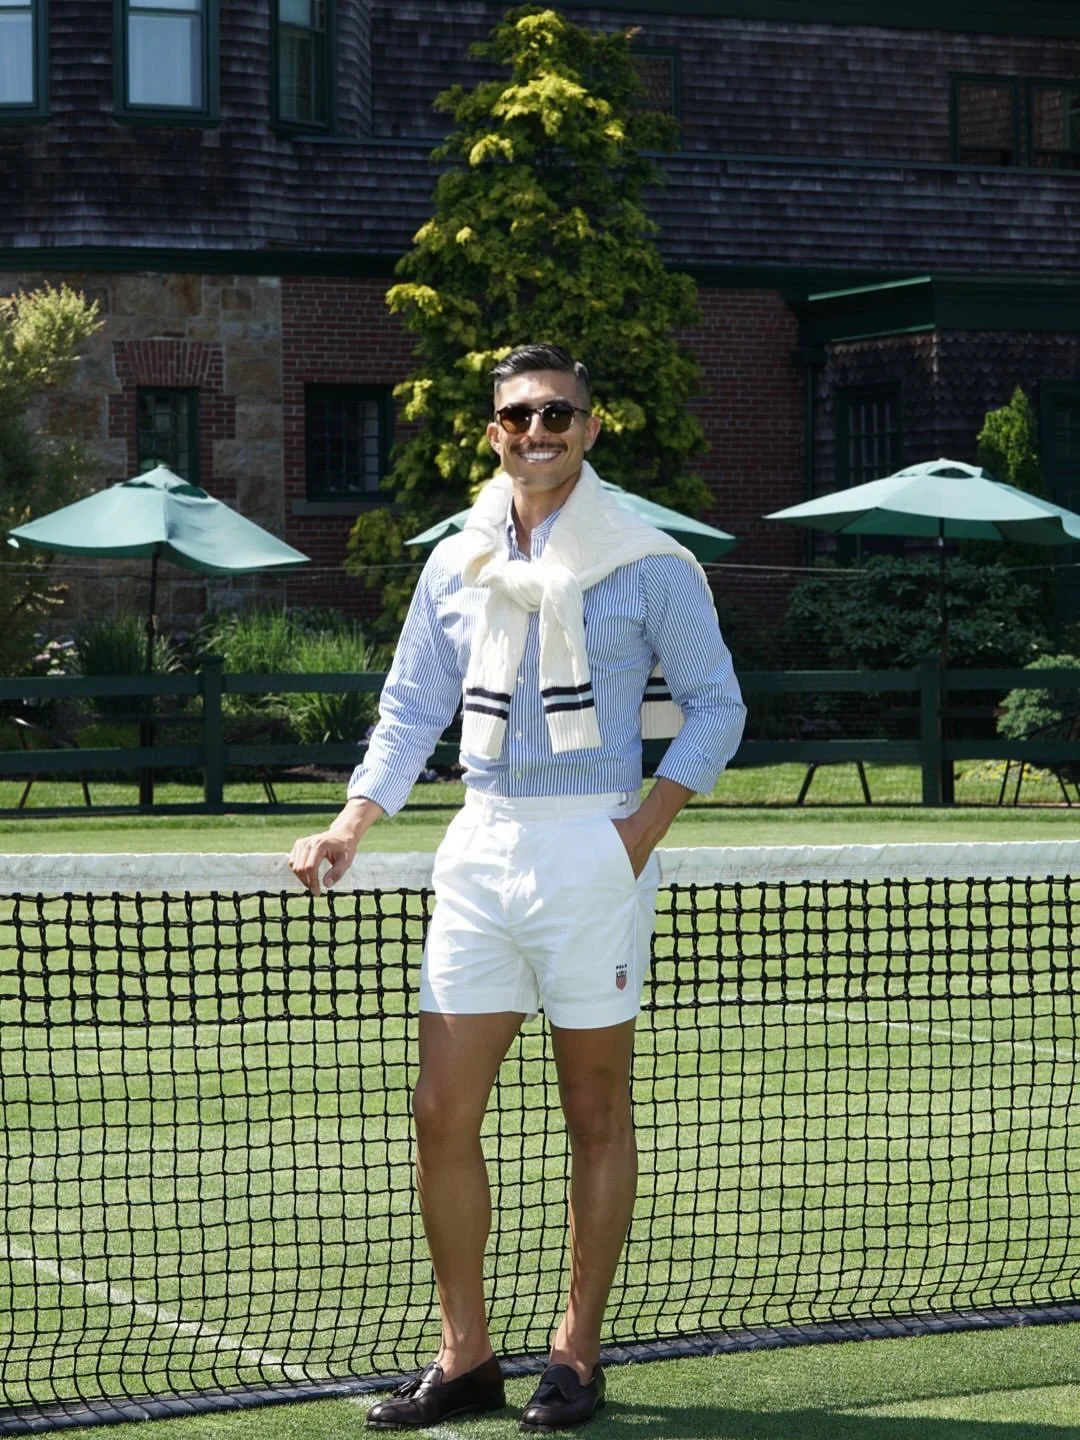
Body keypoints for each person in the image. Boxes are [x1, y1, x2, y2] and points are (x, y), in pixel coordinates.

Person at [288, 344, 746, 1432]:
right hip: (479, 850)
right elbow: (408, 712)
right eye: (517, 417)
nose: (537, 431)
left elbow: (717, 706)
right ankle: (465, 1358)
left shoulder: (651, 562)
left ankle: (575, 1355)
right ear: (492, 432)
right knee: (440, 1109)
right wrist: (353, 821)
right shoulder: (455, 564)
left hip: (594, 848)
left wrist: (638, 831)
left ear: (591, 428)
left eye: (558, 414)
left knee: (594, 1108)